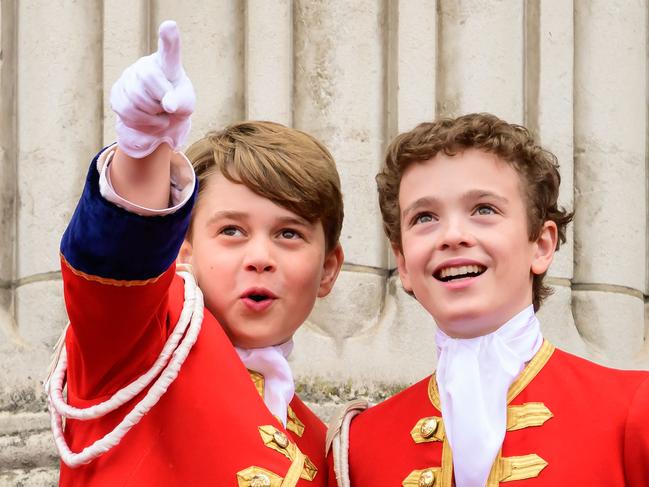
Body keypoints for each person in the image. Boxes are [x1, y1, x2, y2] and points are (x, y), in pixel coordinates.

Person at [47, 20, 344, 486]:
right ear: (183, 250)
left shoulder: (324, 446)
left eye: (289, 234)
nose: (260, 257)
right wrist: (143, 150)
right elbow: (119, 262)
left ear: (328, 269)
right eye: (231, 231)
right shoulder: (138, 344)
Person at [327, 113, 649, 486]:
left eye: (484, 210)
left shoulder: (633, 409)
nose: (452, 235)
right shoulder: (360, 445)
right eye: (425, 217)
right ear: (403, 263)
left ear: (541, 245)